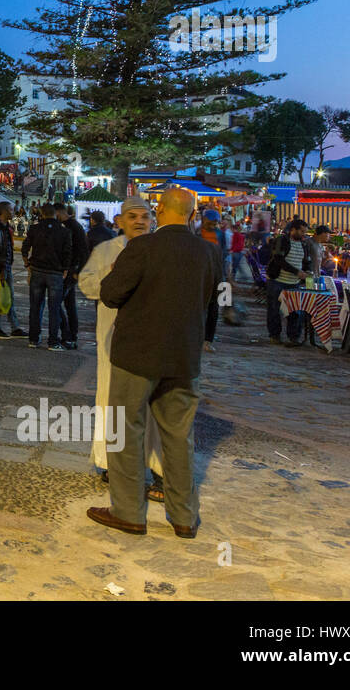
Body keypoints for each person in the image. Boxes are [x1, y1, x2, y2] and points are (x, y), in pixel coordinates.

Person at [91, 186, 220, 540]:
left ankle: (129, 512)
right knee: (179, 437)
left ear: (160, 210)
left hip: (137, 355)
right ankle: (183, 517)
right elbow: (210, 306)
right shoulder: (209, 252)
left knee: (125, 432)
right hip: (184, 358)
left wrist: (116, 271)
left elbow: (111, 294)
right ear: (192, 214)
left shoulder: (142, 247)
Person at [78, 196, 164, 494]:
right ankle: (110, 463)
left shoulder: (162, 251)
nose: (140, 221)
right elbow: (86, 284)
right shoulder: (105, 250)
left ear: (153, 220)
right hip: (112, 340)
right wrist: (111, 273)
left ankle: (155, 465)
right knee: (111, 402)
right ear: (121, 221)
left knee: (152, 406)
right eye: (133, 216)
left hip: (151, 339)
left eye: (145, 216)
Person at [21, 204, 72, 351]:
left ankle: (33, 339)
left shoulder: (34, 229)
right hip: (55, 273)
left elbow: (25, 248)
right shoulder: (64, 231)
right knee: (54, 309)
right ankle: (53, 341)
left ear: (41, 214)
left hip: (37, 270)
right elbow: (67, 253)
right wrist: (65, 270)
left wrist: (27, 266)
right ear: (55, 214)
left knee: (35, 307)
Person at [266, 218, 312, 346]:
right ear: (293, 230)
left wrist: (308, 271)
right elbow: (278, 259)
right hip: (277, 281)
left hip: (294, 283)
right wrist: (296, 272)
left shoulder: (304, 245)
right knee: (274, 310)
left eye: (305, 232)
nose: (304, 234)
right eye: (302, 231)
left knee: (295, 311)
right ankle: (275, 335)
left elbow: (306, 262)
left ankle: (293, 337)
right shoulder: (282, 240)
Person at [0, 201, 27, 338]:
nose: (13, 212)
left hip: (6, 266)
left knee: (9, 296)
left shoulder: (6, 226)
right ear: (3, 212)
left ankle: (14, 327)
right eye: (10, 209)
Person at [56, 203, 89, 350]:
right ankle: (71, 336)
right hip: (69, 270)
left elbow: (82, 251)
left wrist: (77, 270)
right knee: (69, 305)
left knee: (56, 303)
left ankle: (68, 335)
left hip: (70, 271)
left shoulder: (72, 227)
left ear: (60, 212)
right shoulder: (71, 225)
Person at [198, 208, 226, 352]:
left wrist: (228, 278)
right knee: (199, 308)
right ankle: (197, 337)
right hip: (200, 275)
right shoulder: (196, 234)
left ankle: (208, 340)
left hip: (217, 275)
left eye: (215, 222)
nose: (213, 225)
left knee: (215, 308)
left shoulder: (220, 235)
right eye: (211, 222)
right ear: (204, 220)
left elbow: (225, 255)